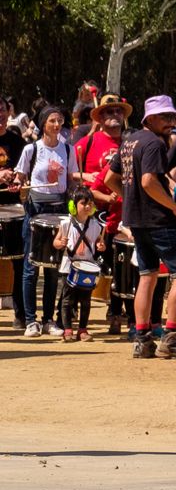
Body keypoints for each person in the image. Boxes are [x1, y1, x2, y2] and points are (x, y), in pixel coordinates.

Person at [126, 94, 176, 359]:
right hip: (158, 220)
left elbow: (110, 178)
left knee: (147, 276)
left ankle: (142, 339)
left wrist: (130, 199)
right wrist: (173, 206)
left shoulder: (129, 141)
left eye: (172, 117)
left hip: (136, 219)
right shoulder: (154, 144)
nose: (170, 122)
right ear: (151, 118)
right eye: (165, 117)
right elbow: (148, 181)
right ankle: (171, 337)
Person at [15, 106, 74, 336]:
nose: (57, 125)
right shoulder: (31, 149)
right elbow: (20, 180)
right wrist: (18, 186)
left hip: (59, 208)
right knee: (31, 268)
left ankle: (49, 319)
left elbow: (71, 180)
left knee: (52, 267)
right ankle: (31, 321)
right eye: (52, 121)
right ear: (43, 124)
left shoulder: (68, 150)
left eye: (60, 121)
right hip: (35, 208)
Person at [55, 190, 105, 342]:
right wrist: (59, 243)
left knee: (85, 300)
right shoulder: (66, 223)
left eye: (90, 203)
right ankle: (67, 328)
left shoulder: (96, 225)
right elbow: (56, 242)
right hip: (68, 266)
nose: (87, 207)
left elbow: (98, 241)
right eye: (83, 203)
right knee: (67, 299)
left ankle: (82, 329)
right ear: (73, 206)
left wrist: (100, 245)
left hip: (87, 266)